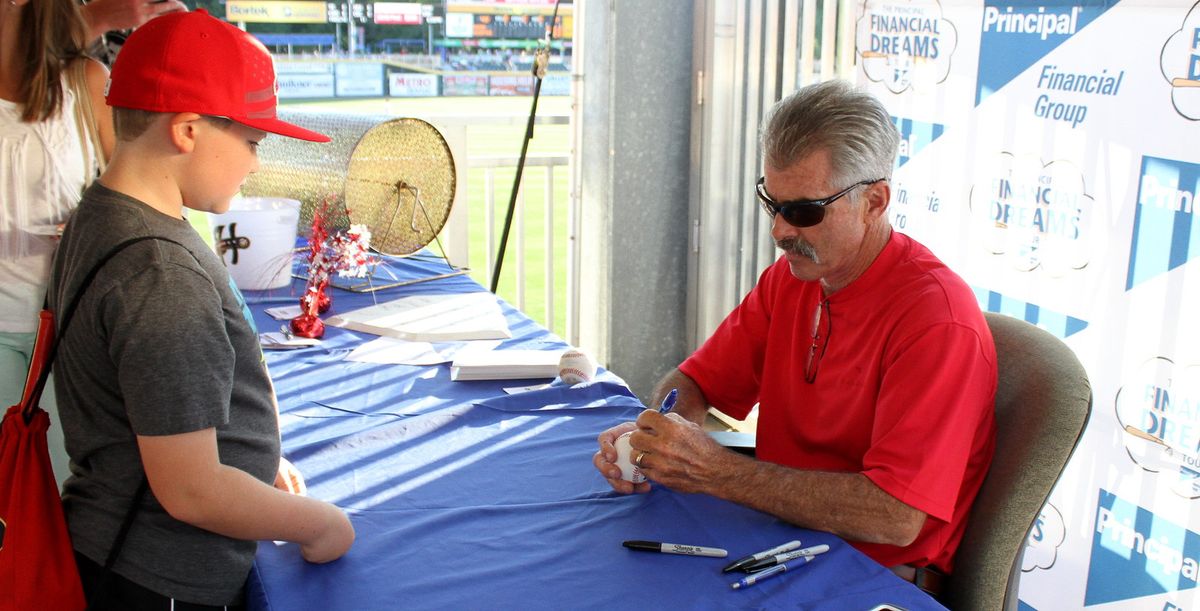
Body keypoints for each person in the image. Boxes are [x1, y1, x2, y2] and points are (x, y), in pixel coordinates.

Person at [593, 80, 997, 590]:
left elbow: (895, 517)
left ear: (875, 201)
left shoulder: (936, 322)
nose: (779, 231)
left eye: (804, 211)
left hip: (873, 575)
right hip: (777, 539)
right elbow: (696, 382)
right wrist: (661, 439)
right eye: (772, 203)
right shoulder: (790, 279)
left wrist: (717, 471)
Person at [48, 10, 354, 610]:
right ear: (187, 130)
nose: (255, 162)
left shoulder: (103, 214)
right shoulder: (160, 273)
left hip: (118, 547)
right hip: (159, 576)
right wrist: (318, 524)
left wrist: (252, 456)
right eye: (251, 141)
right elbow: (190, 490)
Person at [0, 0, 114, 483]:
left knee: (65, 490)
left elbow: (136, 196)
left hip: (71, 327)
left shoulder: (86, 81)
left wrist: (92, 221)